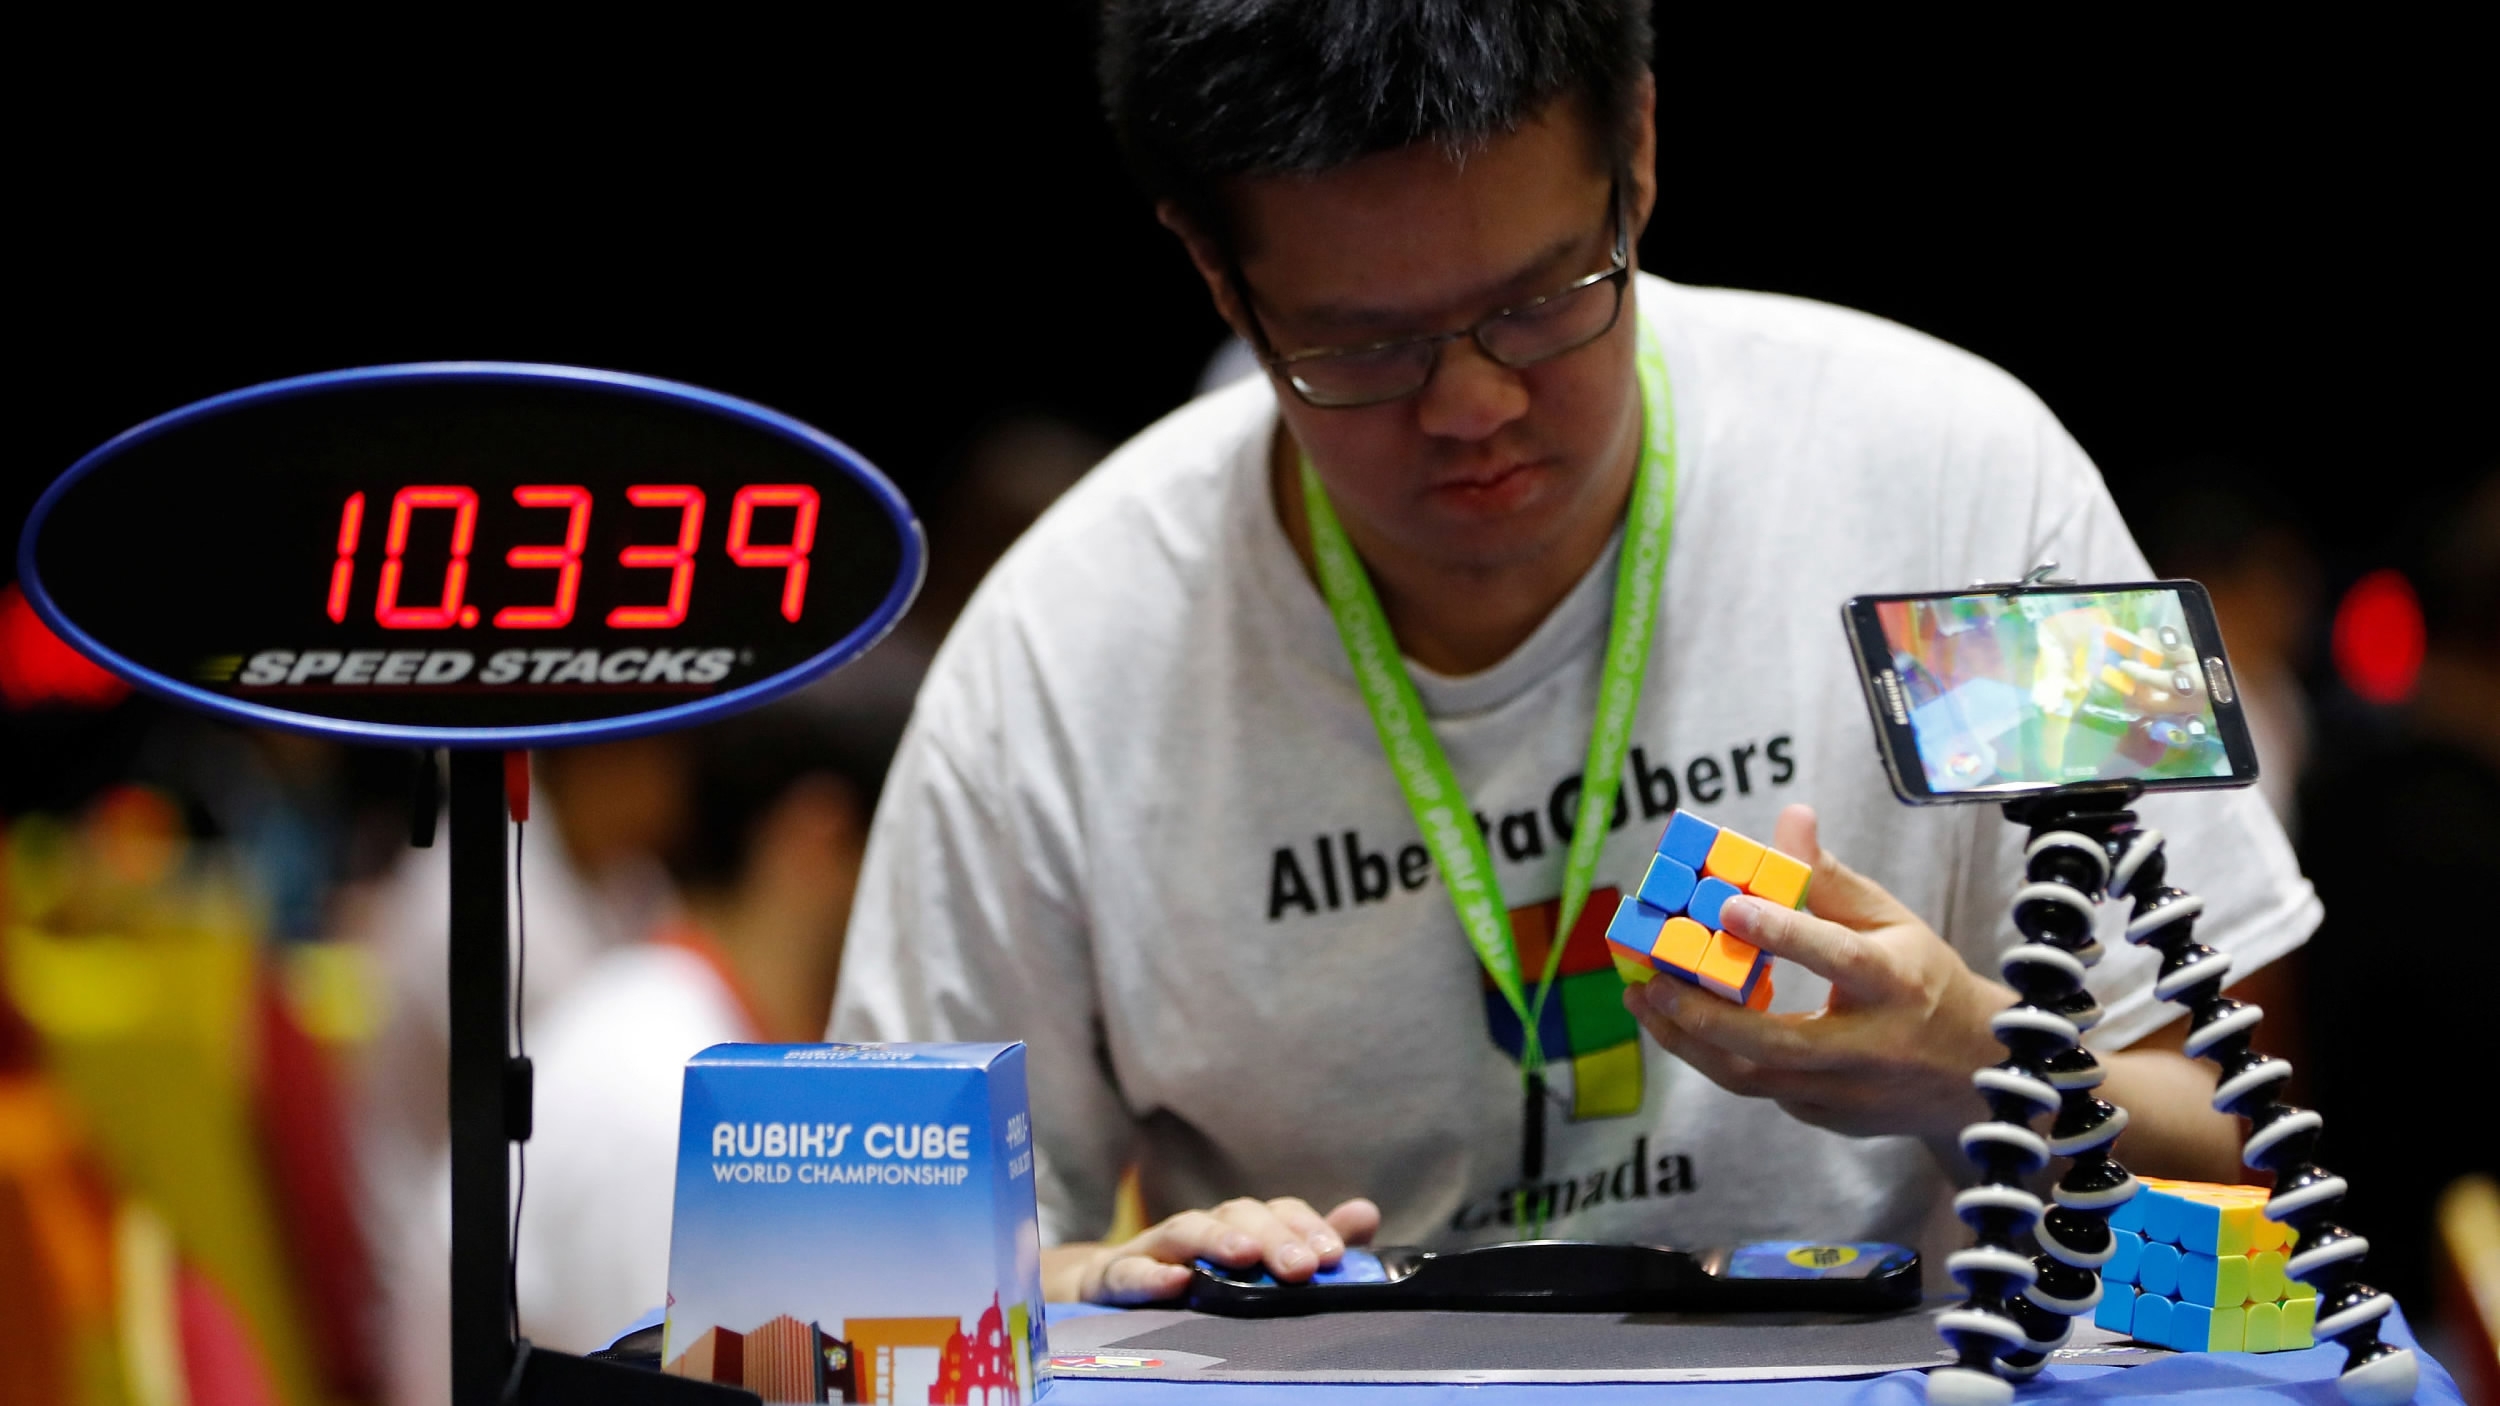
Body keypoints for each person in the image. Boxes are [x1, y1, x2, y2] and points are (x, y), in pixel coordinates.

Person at [831, 0, 2319, 1306]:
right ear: (1218, 277)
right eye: (1360, 347)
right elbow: (871, 1268)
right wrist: (1105, 1277)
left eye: (1542, 304)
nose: (1472, 404)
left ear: (1642, 152)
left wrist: (1971, 1057)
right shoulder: (1059, 655)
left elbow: (2257, 1155)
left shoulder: (1961, 488)